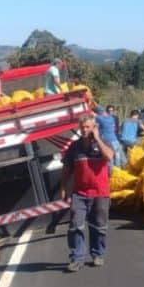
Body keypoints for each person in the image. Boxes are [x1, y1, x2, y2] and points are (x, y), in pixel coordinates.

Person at [58, 115, 114, 272]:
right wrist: (63, 186)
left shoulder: (104, 143)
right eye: (82, 127)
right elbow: (67, 169)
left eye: (88, 127)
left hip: (100, 193)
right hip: (80, 193)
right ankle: (77, 258)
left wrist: (97, 139)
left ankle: (98, 254)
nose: (84, 130)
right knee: (76, 226)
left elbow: (109, 156)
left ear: (94, 127)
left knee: (99, 226)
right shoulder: (74, 147)